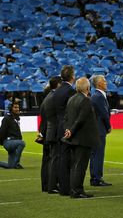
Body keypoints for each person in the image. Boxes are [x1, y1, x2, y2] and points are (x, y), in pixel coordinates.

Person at [62, 78, 99, 199]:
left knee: (75, 165)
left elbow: (66, 118)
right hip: (83, 138)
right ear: (88, 88)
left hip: (73, 138)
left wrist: (68, 129)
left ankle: (74, 189)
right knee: (80, 166)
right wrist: (71, 130)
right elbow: (81, 119)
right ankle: (77, 190)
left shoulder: (71, 99)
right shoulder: (86, 101)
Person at [52, 65, 76, 196]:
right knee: (68, 160)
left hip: (58, 127)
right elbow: (71, 111)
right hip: (67, 128)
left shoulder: (58, 91)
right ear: (72, 76)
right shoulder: (70, 91)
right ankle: (67, 188)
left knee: (62, 158)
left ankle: (63, 186)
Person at [0, 102, 26, 169]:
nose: (17, 109)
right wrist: (2, 142)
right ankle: (17, 163)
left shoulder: (16, 118)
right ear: (11, 108)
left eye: (18, 107)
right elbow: (0, 132)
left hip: (14, 142)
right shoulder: (7, 118)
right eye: (15, 107)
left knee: (10, 166)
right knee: (22, 143)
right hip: (9, 142)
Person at [38, 76, 60, 192]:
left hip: (45, 131)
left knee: (46, 159)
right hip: (50, 132)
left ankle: (46, 184)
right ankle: (51, 184)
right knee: (51, 159)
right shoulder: (51, 101)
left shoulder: (44, 102)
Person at [89, 75, 112, 187]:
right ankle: (97, 178)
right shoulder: (98, 96)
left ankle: (95, 177)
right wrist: (108, 126)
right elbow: (104, 114)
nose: (106, 82)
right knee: (98, 154)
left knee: (95, 154)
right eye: (104, 81)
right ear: (98, 84)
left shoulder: (96, 96)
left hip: (95, 129)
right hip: (99, 129)